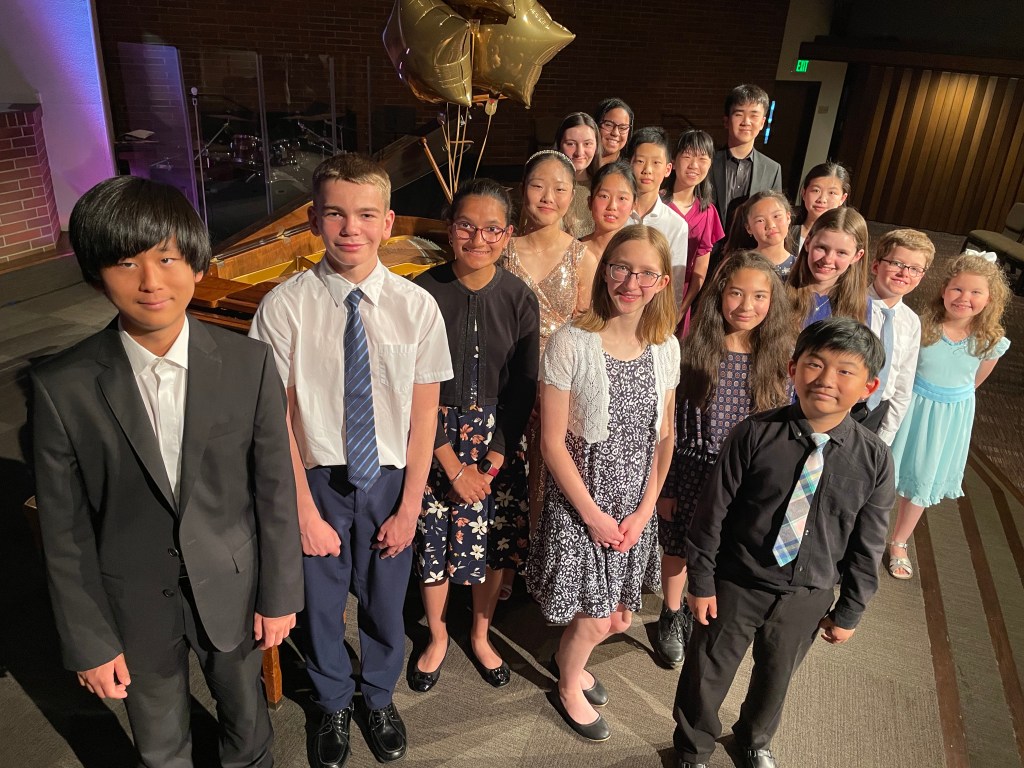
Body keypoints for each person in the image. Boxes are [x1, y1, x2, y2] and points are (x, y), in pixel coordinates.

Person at [31, 176, 303, 768]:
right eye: (126, 262)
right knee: (159, 743)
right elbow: (64, 530)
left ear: (198, 265)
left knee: (248, 724)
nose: (151, 281)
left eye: (167, 257)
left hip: (233, 585)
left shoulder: (249, 362)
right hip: (130, 600)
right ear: (96, 275)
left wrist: (281, 593)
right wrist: (89, 640)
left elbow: (274, 490)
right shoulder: (61, 388)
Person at [250, 153, 453, 767]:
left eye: (366, 214)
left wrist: (411, 507)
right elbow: (278, 419)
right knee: (320, 603)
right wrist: (303, 511)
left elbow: (424, 418)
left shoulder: (416, 307)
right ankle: (334, 698)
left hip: (390, 479)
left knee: (386, 600)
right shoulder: (284, 306)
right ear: (314, 220)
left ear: (387, 222)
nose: (350, 228)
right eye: (335, 214)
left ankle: (379, 695)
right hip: (317, 478)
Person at [674, 317, 894, 768]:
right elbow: (711, 513)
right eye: (815, 364)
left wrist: (850, 609)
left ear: (868, 387)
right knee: (707, 671)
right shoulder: (755, 433)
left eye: (845, 371)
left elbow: (868, 543)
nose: (826, 380)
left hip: (807, 594)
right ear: (793, 368)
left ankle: (753, 739)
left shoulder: (875, 459)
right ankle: (693, 747)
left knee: (777, 677)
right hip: (736, 582)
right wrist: (701, 581)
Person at [527, 225, 680, 742]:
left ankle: (570, 658)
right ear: (605, 270)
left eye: (645, 273)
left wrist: (645, 509)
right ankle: (568, 683)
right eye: (620, 268)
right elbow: (552, 444)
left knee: (618, 618)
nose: (630, 283)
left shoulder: (666, 347)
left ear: (662, 282)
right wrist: (593, 517)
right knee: (596, 618)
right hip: (582, 501)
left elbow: (665, 437)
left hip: (635, 502)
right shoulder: (570, 342)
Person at [409, 179, 539, 690]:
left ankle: (481, 634)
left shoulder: (519, 297)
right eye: (466, 225)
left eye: (491, 229)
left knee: (493, 544)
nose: (478, 238)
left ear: (508, 234)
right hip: (432, 432)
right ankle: (438, 635)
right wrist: (450, 463)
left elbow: (524, 386)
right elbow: (408, 386)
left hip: (496, 441)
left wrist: (494, 458)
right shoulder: (420, 291)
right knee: (433, 541)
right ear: (449, 229)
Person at [654, 252, 793, 669]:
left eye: (759, 296)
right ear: (719, 295)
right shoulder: (693, 352)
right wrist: (667, 486)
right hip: (694, 468)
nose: (746, 306)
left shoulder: (780, 360)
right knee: (679, 546)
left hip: (747, 478)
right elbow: (671, 427)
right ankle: (670, 613)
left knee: (729, 548)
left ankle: (704, 607)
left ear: (773, 301)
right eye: (736, 293)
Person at [887, 251, 1011, 580]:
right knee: (887, 471)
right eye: (957, 289)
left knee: (922, 477)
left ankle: (899, 542)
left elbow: (973, 383)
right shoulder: (922, 326)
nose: (964, 298)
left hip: (948, 418)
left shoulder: (990, 341)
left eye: (975, 292)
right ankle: (865, 535)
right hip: (911, 406)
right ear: (943, 289)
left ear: (990, 298)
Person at [503, 149, 597, 532]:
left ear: (572, 195)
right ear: (523, 189)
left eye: (559, 189)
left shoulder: (582, 256)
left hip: (561, 390)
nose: (547, 197)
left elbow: (589, 333)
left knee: (549, 484)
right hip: (509, 382)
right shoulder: (503, 251)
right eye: (538, 186)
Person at [852, 228, 935, 439]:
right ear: (875, 266)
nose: (904, 273)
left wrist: (887, 432)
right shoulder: (853, 306)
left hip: (877, 411)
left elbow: (904, 380)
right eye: (897, 263)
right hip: (845, 402)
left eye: (915, 269)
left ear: (922, 276)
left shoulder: (911, 321)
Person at [666, 129, 725, 335]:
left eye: (702, 158)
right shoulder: (656, 203)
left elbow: (701, 269)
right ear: (673, 161)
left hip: (680, 301)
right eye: (687, 156)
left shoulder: (707, 212)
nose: (694, 165)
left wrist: (682, 309)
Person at [627, 126, 689, 311]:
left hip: (652, 314)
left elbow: (675, 284)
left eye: (656, 163)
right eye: (640, 161)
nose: (647, 170)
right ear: (629, 163)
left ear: (668, 169)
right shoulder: (616, 214)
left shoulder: (676, 225)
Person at [709, 84, 783, 231]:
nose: (746, 122)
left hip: (751, 244)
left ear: (762, 123)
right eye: (739, 114)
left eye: (754, 115)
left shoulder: (772, 169)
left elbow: (774, 213)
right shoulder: (708, 162)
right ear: (726, 121)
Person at [787, 206, 870, 328]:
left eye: (841, 253)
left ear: (857, 256)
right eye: (821, 248)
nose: (827, 260)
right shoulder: (779, 290)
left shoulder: (863, 306)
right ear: (808, 243)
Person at [580, 160, 638, 263]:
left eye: (622, 198)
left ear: (633, 206)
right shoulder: (571, 251)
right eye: (604, 196)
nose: (612, 206)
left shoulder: (638, 255)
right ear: (590, 202)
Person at [556, 111, 601, 239]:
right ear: (559, 145)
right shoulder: (547, 187)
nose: (579, 152)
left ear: (596, 146)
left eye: (587, 144)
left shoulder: (602, 187)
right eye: (571, 144)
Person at [788, 162, 851, 254]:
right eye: (816, 190)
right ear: (804, 193)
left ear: (842, 198)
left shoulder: (847, 240)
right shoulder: (786, 232)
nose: (822, 199)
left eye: (832, 193)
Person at [742, 191, 796, 279]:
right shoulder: (740, 265)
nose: (771, 225)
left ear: (788, 217)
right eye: (760, 220)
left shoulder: (800, 267)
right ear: (748, 228)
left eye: (776, 216)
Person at [593, 97, 634, 166]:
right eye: (609, 125)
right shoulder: (581, 163)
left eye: (623, 128)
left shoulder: (630, 169)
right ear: (596, 125)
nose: (615, 133)